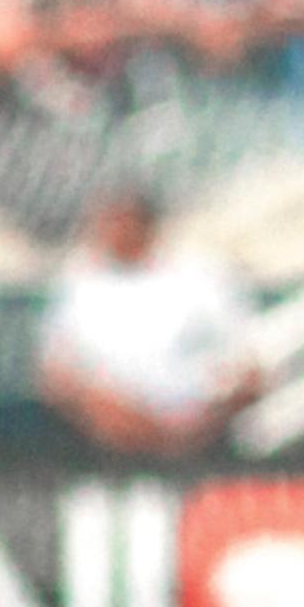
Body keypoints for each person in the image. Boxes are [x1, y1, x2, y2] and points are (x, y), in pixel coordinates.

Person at [38, 190, 261, 458]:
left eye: (121, 222)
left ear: (145, 224)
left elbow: (248, 363)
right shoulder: (77, 283)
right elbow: (55, 375)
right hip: (110, 439)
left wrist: (196, 423)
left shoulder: (202, 277)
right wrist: (127, 419)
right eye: (105, 222)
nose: (111, 232)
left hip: (202, 430)